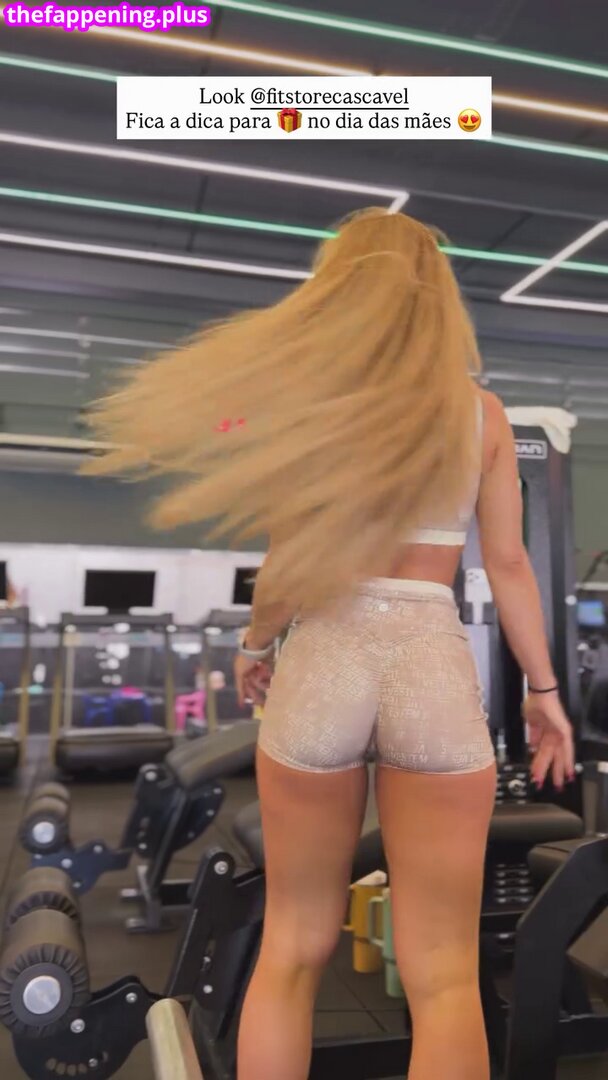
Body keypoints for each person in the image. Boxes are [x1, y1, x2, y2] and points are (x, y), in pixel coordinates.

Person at [86, 209, 574, 1080]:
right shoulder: (484, 415)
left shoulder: (312, 411)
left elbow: (286, 566)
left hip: (326, 662)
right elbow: (507, 565)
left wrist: (255, 644)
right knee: (444, 977)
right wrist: (544, 692)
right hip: (429, 664)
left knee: (291, 949)